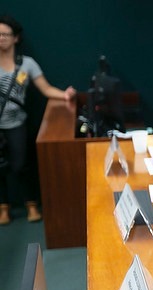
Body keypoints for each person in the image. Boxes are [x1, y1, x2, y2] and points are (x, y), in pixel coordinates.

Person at [0, 14, 75, 225]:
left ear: (15, 38)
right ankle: (3, 208)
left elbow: (46, 88)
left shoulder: (26, 64)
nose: (1, 38)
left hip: (17, 123)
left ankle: (30, 204)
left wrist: (65, 94)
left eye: (5, 34)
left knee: (21, 164)